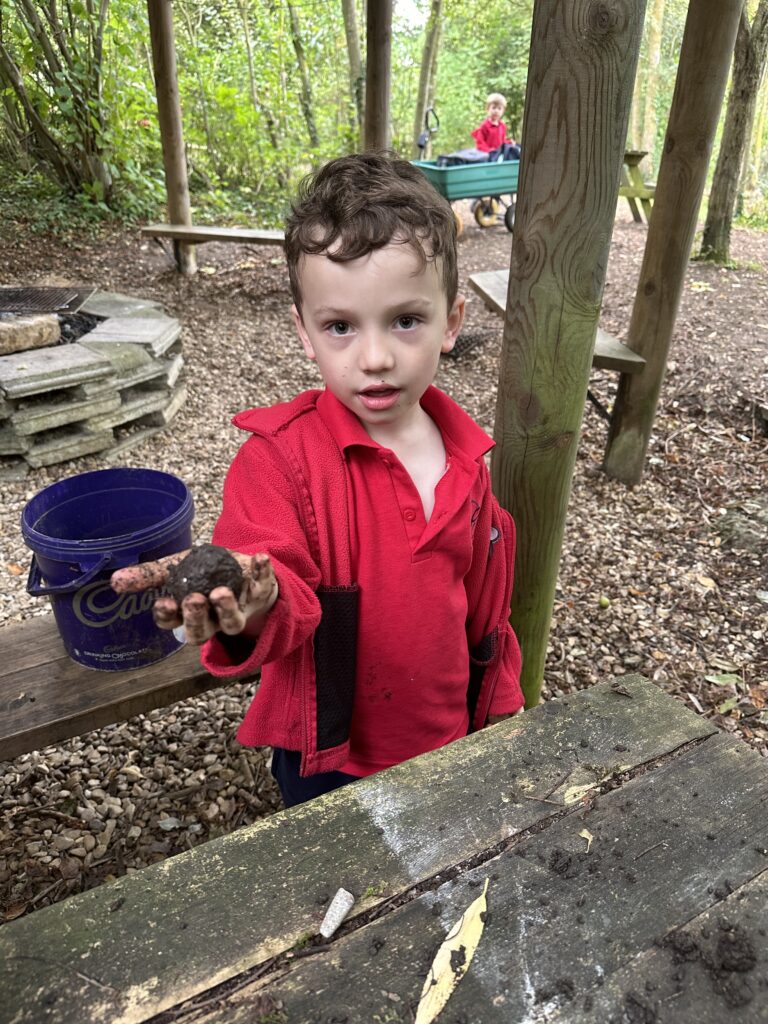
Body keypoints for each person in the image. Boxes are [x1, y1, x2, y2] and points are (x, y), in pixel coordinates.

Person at [111, 153, 524, 808]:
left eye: (406, 320)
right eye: (341, 327)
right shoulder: (281, 460)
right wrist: (252, 598)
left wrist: (498, 697)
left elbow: (484, 604)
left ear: (452, 323)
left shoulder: (467, 459)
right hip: (332, 758)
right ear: (305, 333)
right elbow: (282, 587)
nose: (377, 357)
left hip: (447, 736)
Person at [471, 92, 520, 159]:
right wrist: (490, 151)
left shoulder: (502, 126)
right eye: (493, 108)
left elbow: (502, 142)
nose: (496, 111)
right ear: (487, 109)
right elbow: (480, 144)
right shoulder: (484, 126)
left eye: (499, 108)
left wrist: (509, 143)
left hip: (499, 156)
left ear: (503, 111)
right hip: (488, 156)